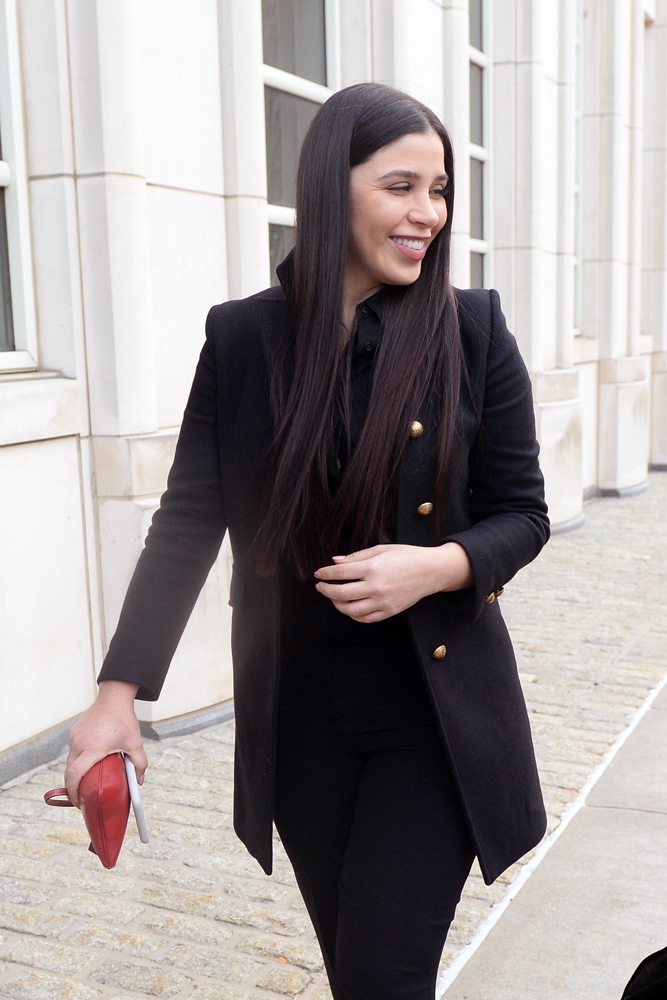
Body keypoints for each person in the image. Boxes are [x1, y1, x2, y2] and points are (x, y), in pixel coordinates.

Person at [65, 83, 550, 1000]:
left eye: (440, 189)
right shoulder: (244, 338)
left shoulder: (471, 330)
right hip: (303, 731)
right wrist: (116, 696)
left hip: (434, 721)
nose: (428, 214)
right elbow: (185, 523)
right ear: (333, 187)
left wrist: (436, 565)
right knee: (355, 977)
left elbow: (522, 514)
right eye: (401, 185)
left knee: (380, 974)